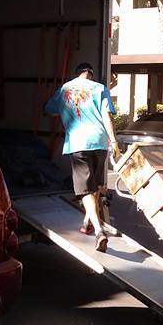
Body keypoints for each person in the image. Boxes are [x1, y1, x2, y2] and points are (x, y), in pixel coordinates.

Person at [44, 61, 120, 252]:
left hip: (79, 144)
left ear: (77, 74)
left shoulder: (65, 89)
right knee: (94, 186)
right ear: (91, 75)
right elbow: (106, 115)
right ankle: (87, 223)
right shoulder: (100, 88)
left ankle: (99, 232)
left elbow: (49, 110)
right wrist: (114, 141)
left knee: (85, 190)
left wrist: (62, 110)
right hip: (101, 143)